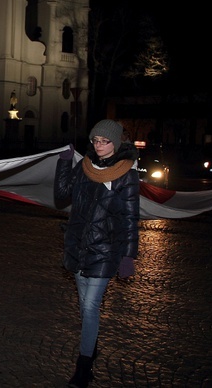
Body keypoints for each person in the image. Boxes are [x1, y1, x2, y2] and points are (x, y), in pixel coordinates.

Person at [54, 119, 140, 388]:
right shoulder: (85, 166)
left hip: (106, 248)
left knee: (91, 306)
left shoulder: (127, 174)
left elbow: (129, 218)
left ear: (116, 143)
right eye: (95, 141)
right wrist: (65, 162)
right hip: (79, 245)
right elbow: (61, 194)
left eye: (104, 141)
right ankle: (91, 346)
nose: (99, 146)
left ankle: (83, 367)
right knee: (84, 306)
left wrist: (128, 256)